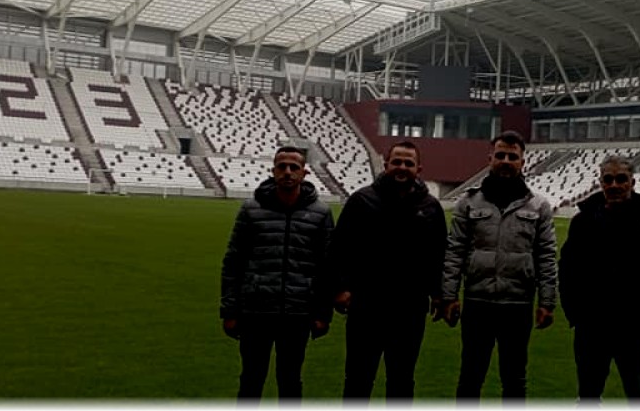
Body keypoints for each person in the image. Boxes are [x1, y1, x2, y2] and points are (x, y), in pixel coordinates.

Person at [441, 130, 557, 401]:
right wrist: (448, 296)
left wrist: (547, 302)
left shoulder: (539, 206)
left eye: (512, 156)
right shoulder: (468, 202)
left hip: (518, 306)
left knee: (515, 379)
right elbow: (454, 251)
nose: (506, 161)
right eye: (501, 155)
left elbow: (546, 256)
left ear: (522, 161)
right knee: (470, 376)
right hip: (477, 302)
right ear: (490, 157)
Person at [558, 155, 640, 404]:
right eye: (608, 179)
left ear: (632, 182)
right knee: (588, 396)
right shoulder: (583, 221)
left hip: (636, 325)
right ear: (601, 182)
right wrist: (575, 312)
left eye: (621, 179)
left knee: (638, 396)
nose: (614, 185)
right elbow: (567, 269)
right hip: (591, 325)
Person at [328, 141, 447, 402]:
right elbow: (338, 248)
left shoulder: (430, 208)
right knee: (358, 378)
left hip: (410, 309)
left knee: (402, 379)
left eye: (408, 163)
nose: (401, 168)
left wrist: (438, 294)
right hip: (366, 306)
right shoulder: (362, 200)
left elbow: (438, 255)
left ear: (419, 168)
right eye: (397, 162)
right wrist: (340, 288)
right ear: (386, 165)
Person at [220, 146, 334, 402]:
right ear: (272, 171)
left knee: (290, 379)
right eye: (282, 166)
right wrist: (229, 310)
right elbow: (233, 262)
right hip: (255, 310)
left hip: (297, 313)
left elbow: (327, 267)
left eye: (294, 167)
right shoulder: (251, 210)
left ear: (304, 173)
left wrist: (322, 313)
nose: (287, 172)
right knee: (251, 378)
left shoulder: (321, 213)